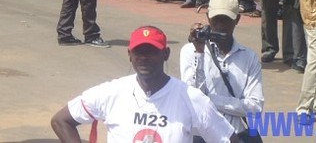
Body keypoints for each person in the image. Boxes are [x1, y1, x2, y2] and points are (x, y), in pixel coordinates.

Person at [51, 26, 238, 143]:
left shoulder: (191, 98)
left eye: (151, 52)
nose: (144, 58)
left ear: (166, 54)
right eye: (139, 52)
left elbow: (229, 139)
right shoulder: (111, 92)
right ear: (129, 55)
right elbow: (61, 121)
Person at [181, 0, 264, 136]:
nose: (220, 26)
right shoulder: (190, 51)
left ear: (237, 19)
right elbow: (191, 99)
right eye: (216, 20)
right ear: (208, 18)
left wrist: (211, 100)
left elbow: (255, 107)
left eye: (226, 20)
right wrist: (199, 53)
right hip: (201, 135)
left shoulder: (249, 57)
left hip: (236, 134)